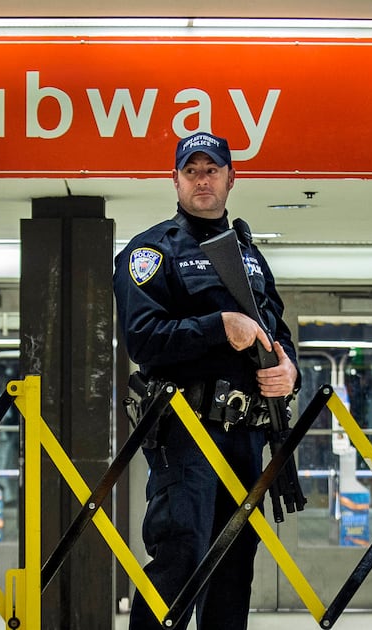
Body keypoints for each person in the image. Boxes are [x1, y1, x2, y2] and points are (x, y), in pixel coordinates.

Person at [113, 131, 299, 630]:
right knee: (182, 555)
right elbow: (142, 340)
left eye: (211, 170)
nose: (202, 180)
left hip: (247, 431)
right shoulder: (150, 252)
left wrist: (289, 368)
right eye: (191, 171)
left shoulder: (249, 255)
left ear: (231, 178)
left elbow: (276, 329)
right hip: (185, 430)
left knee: (235, 562)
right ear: (174, 179)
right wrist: (218, 326)